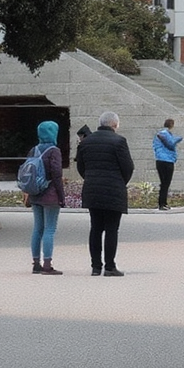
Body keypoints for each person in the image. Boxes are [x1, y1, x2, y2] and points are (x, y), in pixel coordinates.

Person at [76, 111, 133, 276]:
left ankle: (95, 267)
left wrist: (91, 178)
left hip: (92, 190)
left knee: (95, 228)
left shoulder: (86, 142)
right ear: (115, 125)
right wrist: (120, 182)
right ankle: (110, 266)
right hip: (114, 189)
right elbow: (128, 167)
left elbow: (81, 167)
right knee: (111, 229)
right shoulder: (119, 141)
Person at [26, 121, 65, 275]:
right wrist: (61, 196)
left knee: (37, 229)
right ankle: (47, 265)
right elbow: (57, 174)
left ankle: (36, 263)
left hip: (35, 193)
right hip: (50, 195)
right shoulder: (53, 151)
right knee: (50, 229)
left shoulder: (33, 149)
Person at [152, 118, 183, 211]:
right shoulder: (165, 134)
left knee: (163, 183)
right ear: (172, 125)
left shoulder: (158, 134)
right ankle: (163, 204)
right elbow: (171, 144)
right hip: (167, 161)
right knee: (166, 183)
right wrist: (179, 138)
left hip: (159, 160)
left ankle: (162, 203)